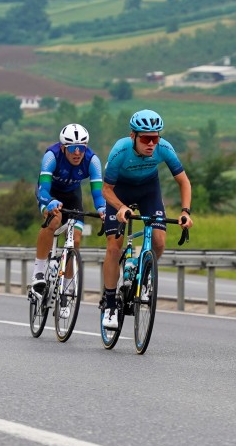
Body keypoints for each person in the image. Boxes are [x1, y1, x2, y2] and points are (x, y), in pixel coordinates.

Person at [99, 110, 193, 332]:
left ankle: (143, 270)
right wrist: (120, 207)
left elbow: (184, 182)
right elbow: (106, 189)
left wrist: (186, 211)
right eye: (145, 138)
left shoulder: (164, 149)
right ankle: (110, 303)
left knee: (159, 242)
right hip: (119, 191)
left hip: (148, 190)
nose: (151, 143)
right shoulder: (120, 151)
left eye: (155, 138)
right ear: (133, 136)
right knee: (114, 246)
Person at [33, 123, 107, 306]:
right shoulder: (52, 156)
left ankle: (66, 290)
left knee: (76, 239)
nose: (77, 153)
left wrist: (102, 209)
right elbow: (42, 189)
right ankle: (38, 273)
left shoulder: (92, 161)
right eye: (73, 148)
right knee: (54, 221)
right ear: (63, 147)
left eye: (81, 148)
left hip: (73, 196)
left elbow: (98, 194)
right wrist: (49, 202)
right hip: (50, 194)